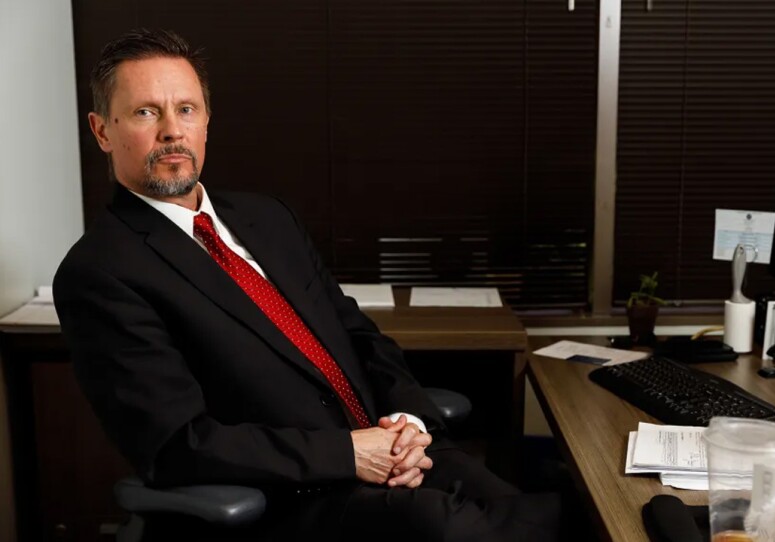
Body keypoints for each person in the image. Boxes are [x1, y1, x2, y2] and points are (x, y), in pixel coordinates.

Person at [53, 28, 567, 541]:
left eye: (186, 109)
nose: (172, 130)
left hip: (398, 454)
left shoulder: (267, 218)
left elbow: (359, 336)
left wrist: (410, 427)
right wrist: (350, 453)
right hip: (295, 497)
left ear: (207, 122)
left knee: (558, 510)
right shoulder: (100, 273)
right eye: (146, 112)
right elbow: (179, 444)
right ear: (102, 130)